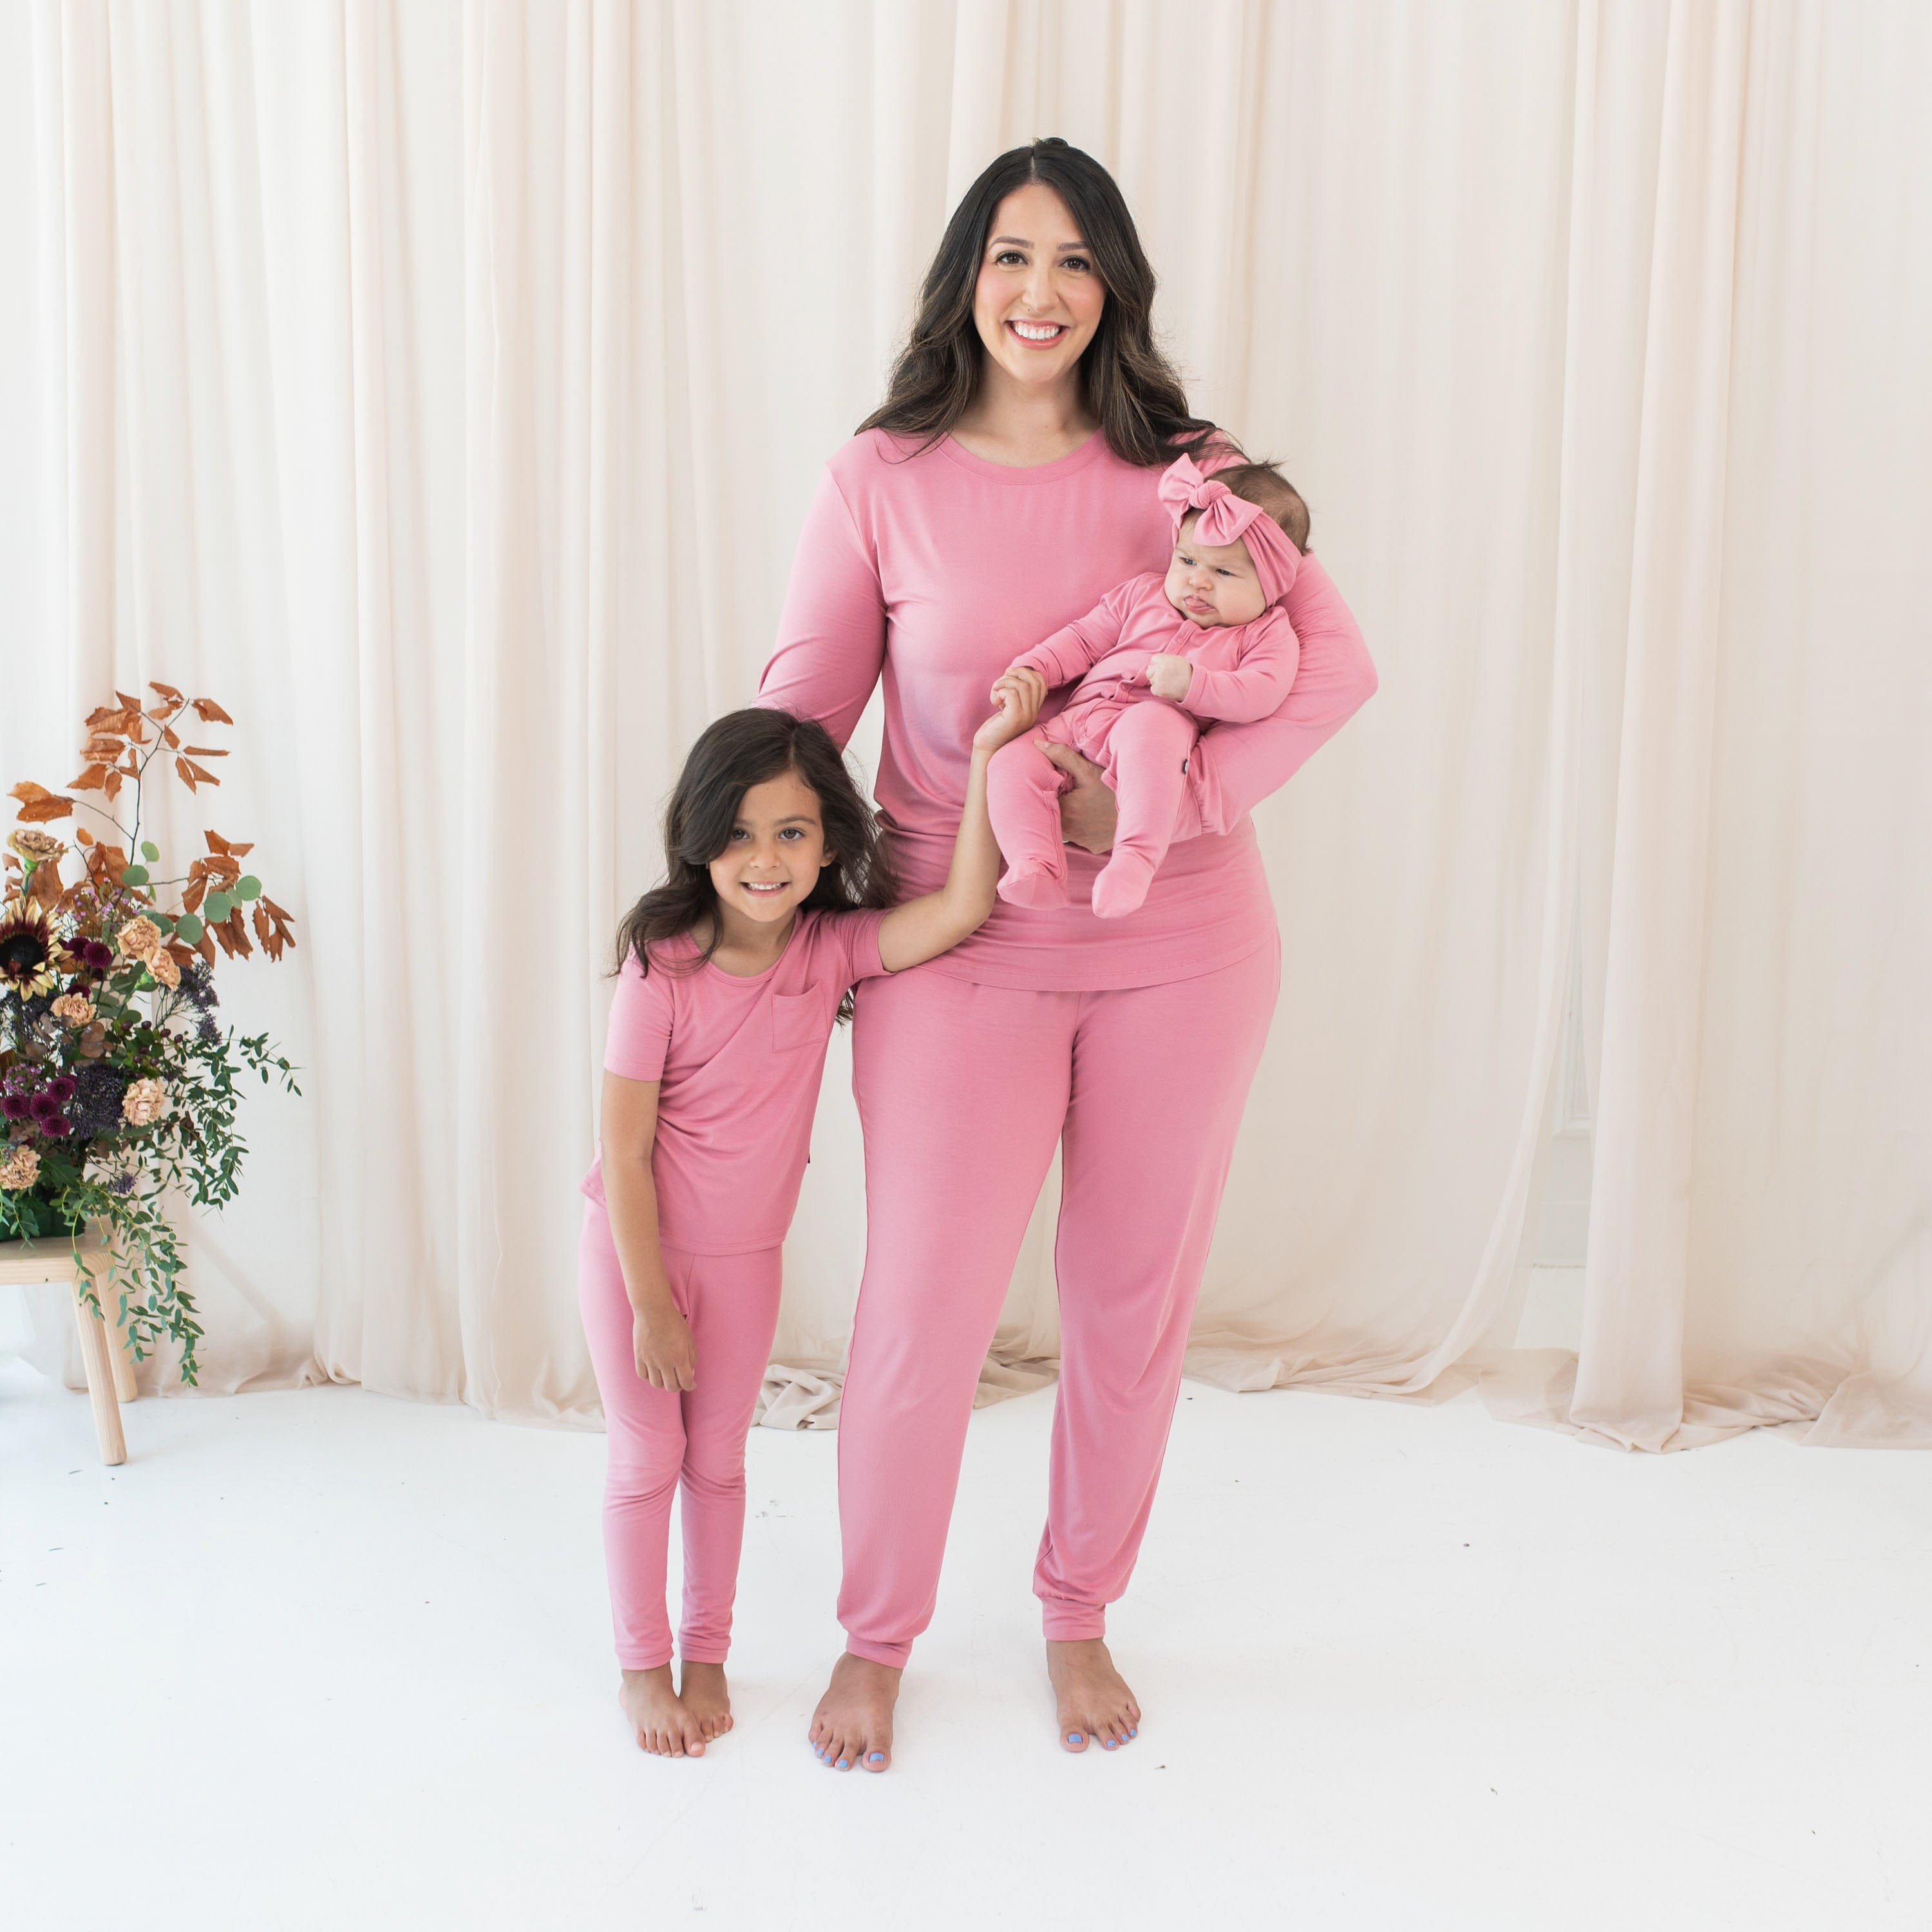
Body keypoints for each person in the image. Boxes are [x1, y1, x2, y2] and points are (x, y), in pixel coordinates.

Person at [762, 137, 1378, 1772]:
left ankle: (1076, 1605)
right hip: (956, 952)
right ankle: (873, 1633)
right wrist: (729, 906)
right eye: (1012, 257)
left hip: (1184, 952)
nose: (1041, 293)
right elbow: (801, 721)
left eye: (1075, 261)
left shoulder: (1195, 471)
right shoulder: (880, 476)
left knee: (1127, 1301)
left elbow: (1326, 668)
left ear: (1114, 286)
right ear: (967, 276)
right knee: (921, 1311)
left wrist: (1181, 812)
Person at [578, 701, 1026, 1759]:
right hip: (636, 1257)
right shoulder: (664, 962)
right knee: (648, 1460)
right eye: (737, 834)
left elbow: (961, 909)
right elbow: (627, 1150)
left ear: (829, 841)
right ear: (700, 840)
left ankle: (710, 1655)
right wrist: (650, 1304)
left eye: (790, 832)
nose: (764, 859)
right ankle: (644, 1669)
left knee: (722, 1464)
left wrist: (993, 757)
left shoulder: (827, 952)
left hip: (747, 1264)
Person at [988, 451, 1309, 917]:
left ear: (1272, 583)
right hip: (1081, 721)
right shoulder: (1142, 594)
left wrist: (1193, 686)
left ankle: (1134, 862)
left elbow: (1263, 692)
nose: (1197, 583)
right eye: (1187, 560)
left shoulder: (1265, 633)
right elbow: (1084, 638)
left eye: (1222, 572)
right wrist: (1035, 669)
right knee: (1011, 762)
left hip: (1155, 736)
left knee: (1150, 727)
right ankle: (1033, 862)